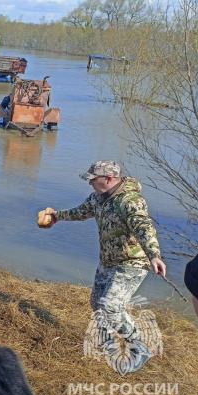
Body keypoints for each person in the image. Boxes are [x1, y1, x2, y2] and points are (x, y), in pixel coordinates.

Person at [40, 160, 166, 373]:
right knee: (97, 303)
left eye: (93, 180)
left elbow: (144, 227)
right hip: (108, 260)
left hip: (132, 262)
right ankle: (108, 343)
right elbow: (81, 212)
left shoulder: (131, 201)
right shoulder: (98, 198)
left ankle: (140, 348)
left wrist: (154, 255)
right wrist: (57, 216)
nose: (90, 184)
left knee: (111, 306)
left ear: (109, 178)